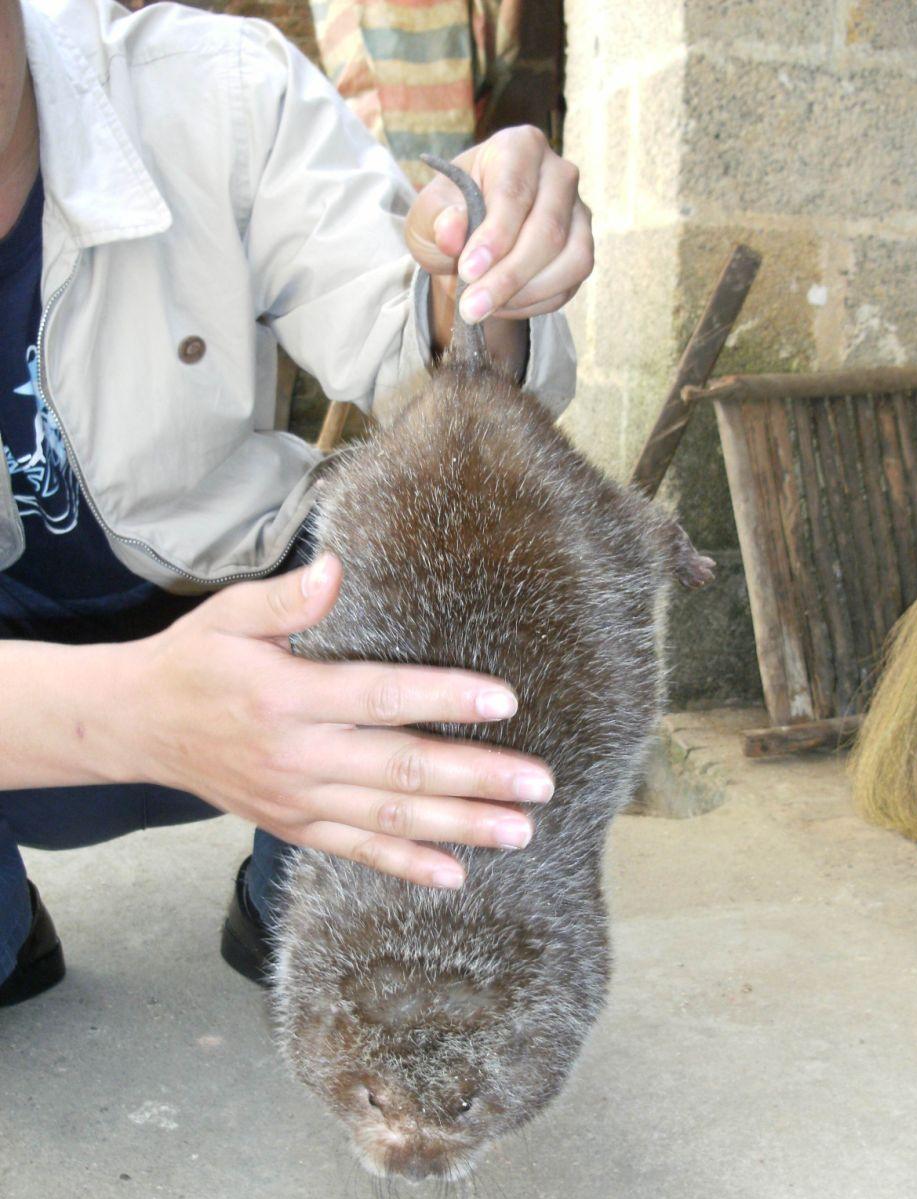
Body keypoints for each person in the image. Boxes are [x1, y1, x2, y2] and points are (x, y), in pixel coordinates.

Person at [0, 0, 593, 1004]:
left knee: (469, 549)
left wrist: (478, 288)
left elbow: (428, 357)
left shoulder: (217, 86)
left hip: (263, 624)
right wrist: (145, 711)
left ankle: (307, 903)